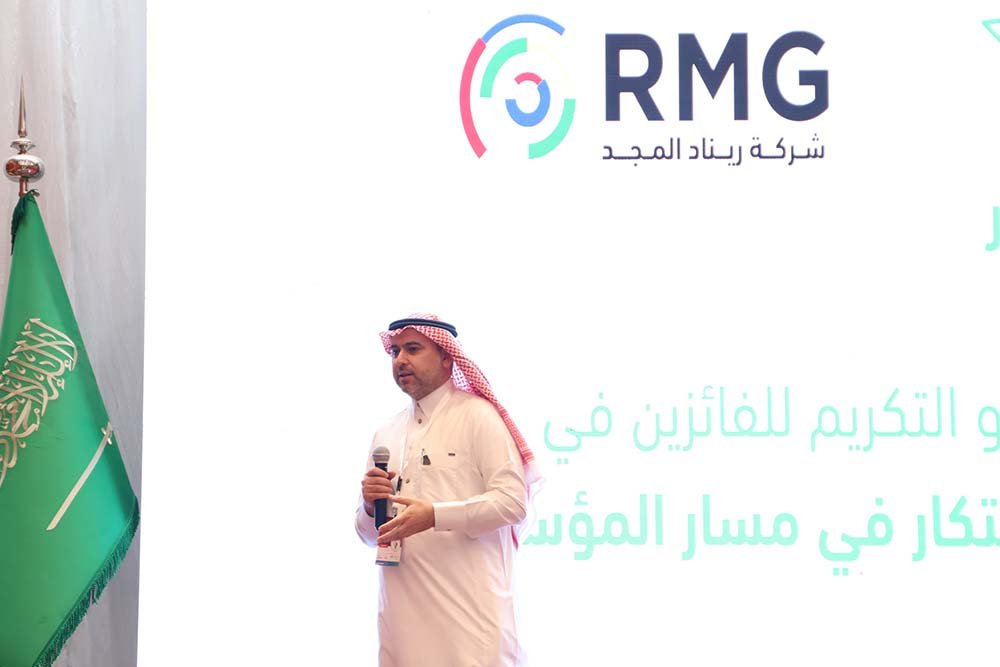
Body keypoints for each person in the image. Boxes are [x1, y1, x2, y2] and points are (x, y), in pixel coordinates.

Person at [355, 314, 538, 667]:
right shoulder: (386, 432)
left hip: (467, 620)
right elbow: (367, 534)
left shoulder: (478, 417)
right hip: (401, 622)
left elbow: (512, 502)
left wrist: (434, 516)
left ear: (446, 357)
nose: (400, 360)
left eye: (413, 349)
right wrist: (367, 506)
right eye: (395, 351)